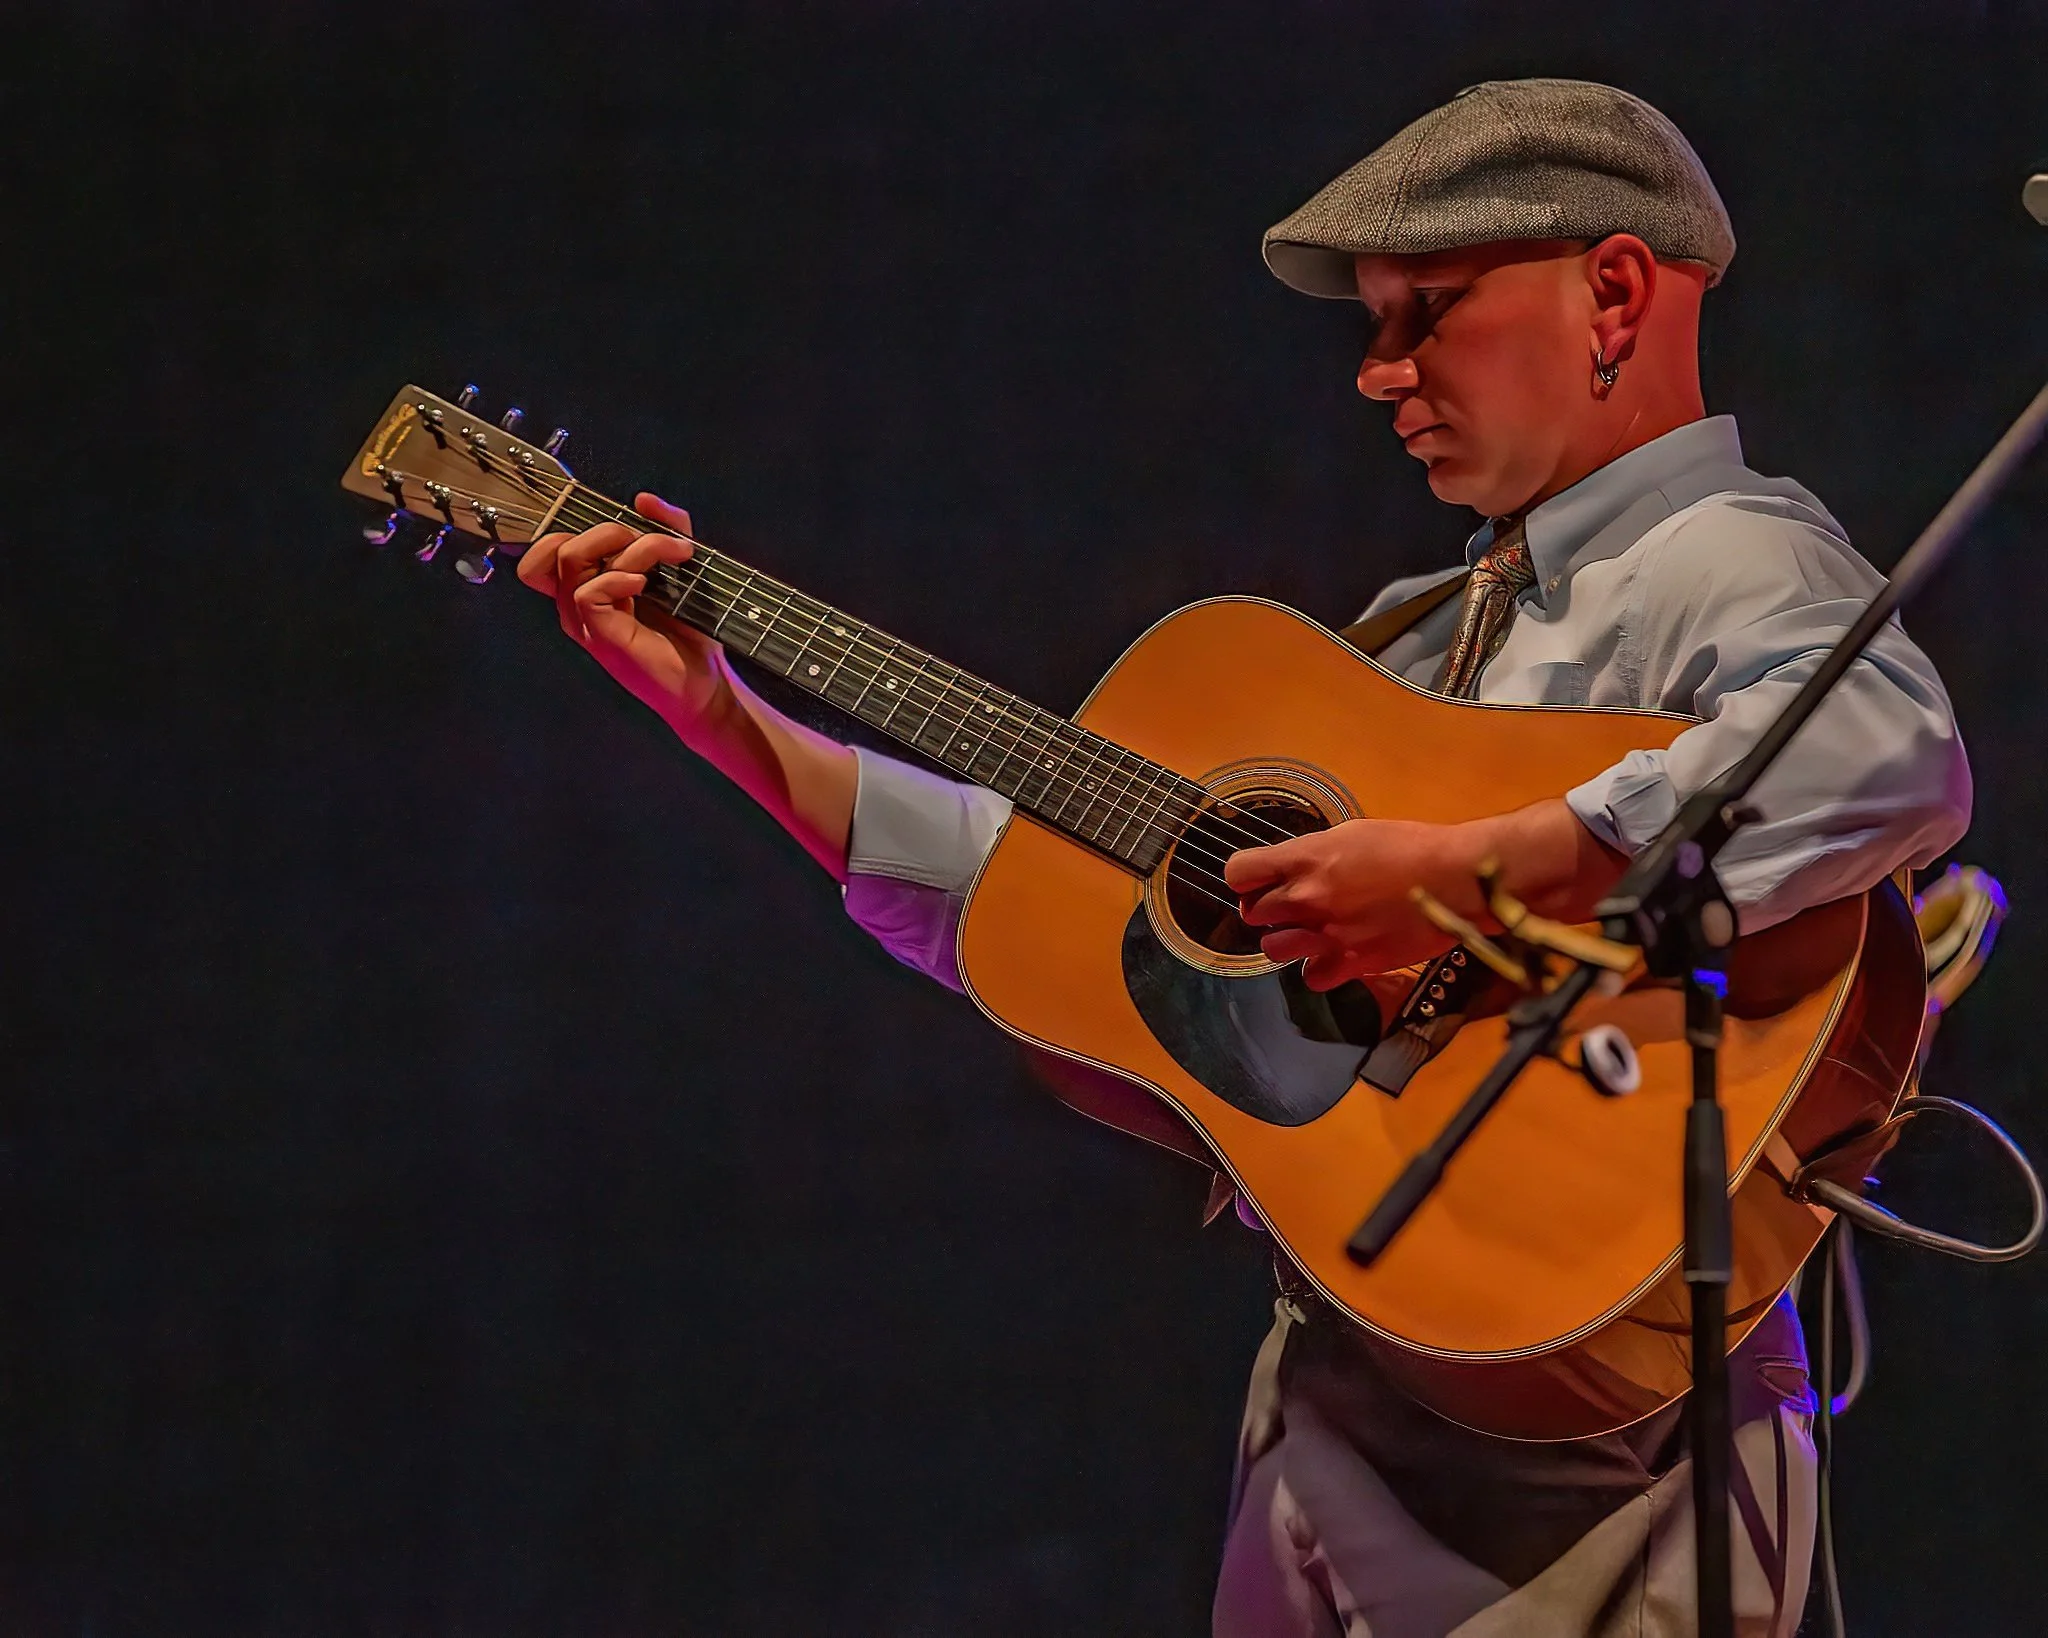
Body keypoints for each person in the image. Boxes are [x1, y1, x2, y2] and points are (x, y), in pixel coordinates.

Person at [517, 78, 1970, 1638]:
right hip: (1337, 1386)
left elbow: (1887, 752)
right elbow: (1045, 897)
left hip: (1599, 1447)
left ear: (1614, 291)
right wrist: (730, 721)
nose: (1376, 372)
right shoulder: (1409, 629)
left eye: (1424, 313)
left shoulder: (1731, 550)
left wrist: (1478, 868)